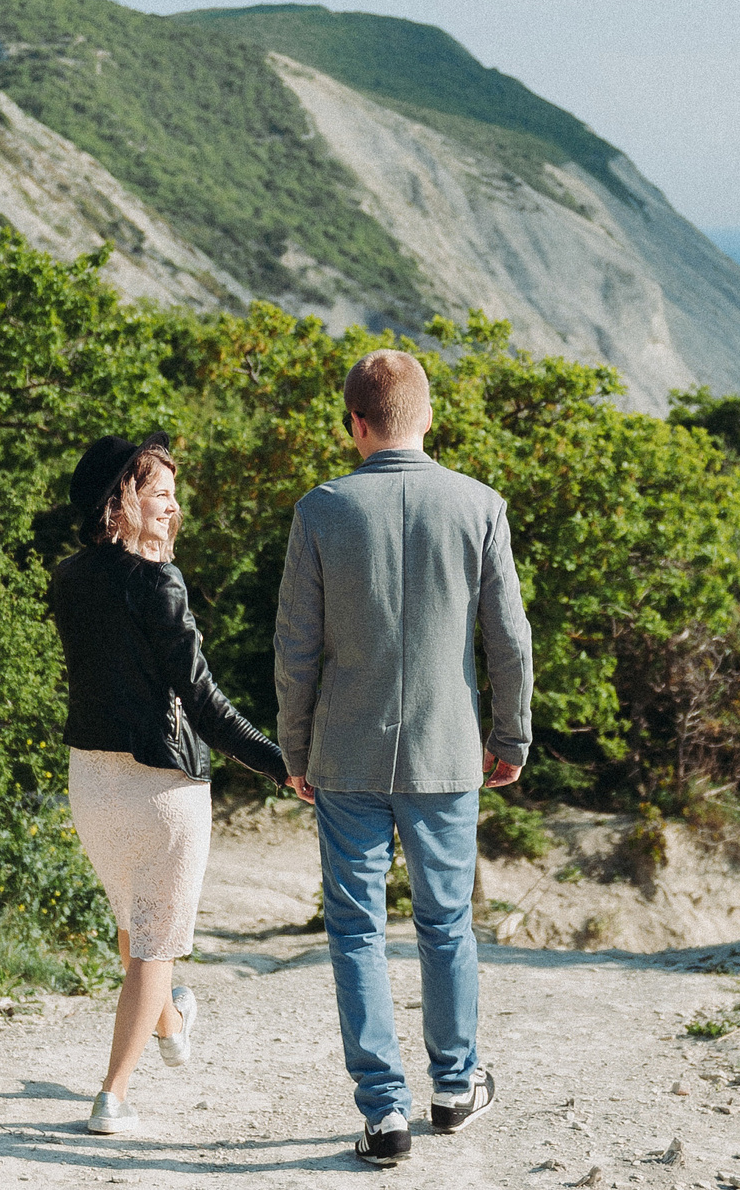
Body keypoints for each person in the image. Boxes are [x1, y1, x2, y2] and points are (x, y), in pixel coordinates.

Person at [273, 349, 534, 1168]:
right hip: (449, 751)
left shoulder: (321, 510)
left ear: (355, 423)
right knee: (445, 921)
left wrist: (293, 745)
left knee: (355, 929)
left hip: (344, 753)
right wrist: (511, 735)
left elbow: (295, 649)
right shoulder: (480, 504)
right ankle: (455, 1088)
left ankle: (383, 1111)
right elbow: (510, 642)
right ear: (429, 415)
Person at [50, 432, 289, 1137]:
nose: (172, 508)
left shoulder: (66, 576)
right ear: (120, 497)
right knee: (156, 944)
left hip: (90, 782)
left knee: (137, 925)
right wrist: (280, 761)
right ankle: (112, 1097)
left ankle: (174, 1021)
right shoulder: (158, 583)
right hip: (162, 787)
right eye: (159, 493)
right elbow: (204, 699)